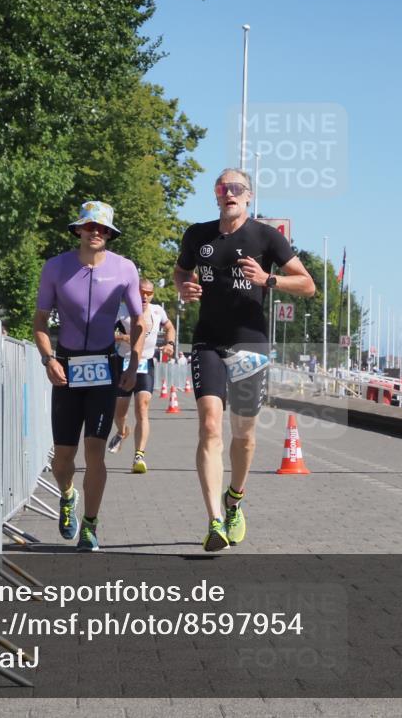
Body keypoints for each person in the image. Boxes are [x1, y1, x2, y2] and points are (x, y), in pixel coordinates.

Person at [174, 168, 315, 551]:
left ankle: (234, 499)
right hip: (207, 341)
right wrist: (183, 288)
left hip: (249, 343)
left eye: (236, 188)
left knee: (245, 436)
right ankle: (214, 522)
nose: (229, 193)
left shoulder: (266, 237)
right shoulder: (197, 235)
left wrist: (268, 280)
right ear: (216, 196)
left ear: (249, 197)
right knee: (209, 426)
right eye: (223, 188)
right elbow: (181, 270)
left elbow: (307, 284)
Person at [33, 200, 144, 551]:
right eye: (89, 226)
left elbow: (140, 322)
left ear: (110, 234)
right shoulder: (55, 268)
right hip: (66, 365)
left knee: (95, 452)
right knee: (63, 457)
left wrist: (133, 363)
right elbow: (38, 322)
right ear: (78, 229)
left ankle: (91, 527)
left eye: (102, 228)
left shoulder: (125, 269)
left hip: (104, 366)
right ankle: (67, 496)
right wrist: (49, 359)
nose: (96, 232)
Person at [108, 278, 176, 474]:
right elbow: (104, 332)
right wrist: (122, 337)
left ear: (153, 295)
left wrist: (170, 344)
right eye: (141, 292)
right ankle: (122, 431)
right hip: (124, 362)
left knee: (142, 408)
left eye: (148, 293)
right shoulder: (121, 310)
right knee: (119, 412)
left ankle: (139, 455)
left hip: (145, 362)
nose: (144, 296)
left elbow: (170, 327)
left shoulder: (157, 311)